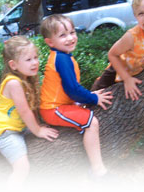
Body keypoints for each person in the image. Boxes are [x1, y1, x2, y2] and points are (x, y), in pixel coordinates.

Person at [39, 14, 113, 178]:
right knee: (91, 122)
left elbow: (69, 90)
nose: (70, 38)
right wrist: (93, 99)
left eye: (72, 32)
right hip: (53, 109)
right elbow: (72, 90)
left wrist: (88, 95)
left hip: (60, 106)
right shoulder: (62, 59)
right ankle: (97, 170)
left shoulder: (62, 57)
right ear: (50, 42)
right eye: (62, 35)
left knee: (85, 113)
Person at [0, 36, 59, 189]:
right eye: (28, 60)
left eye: (35, 57)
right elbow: (24, 111)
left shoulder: (28, 79)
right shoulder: (13, 83)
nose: (34, 62)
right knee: (22, 168)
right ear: (13, 65)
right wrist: (37, 130)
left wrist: (38, 125)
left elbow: (32, 108)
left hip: (18, 128)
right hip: (4, 133)